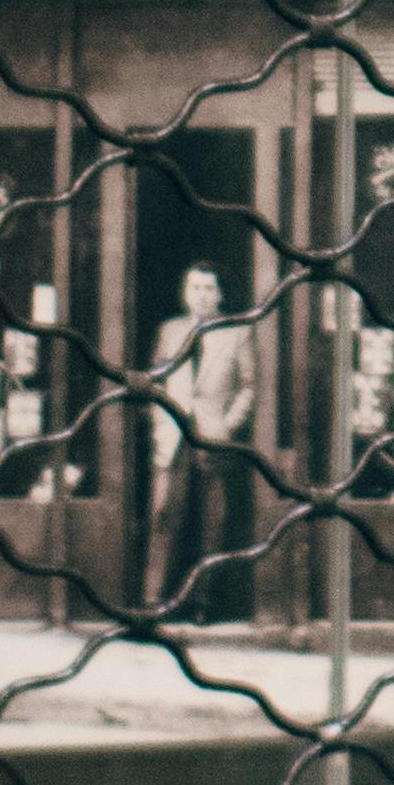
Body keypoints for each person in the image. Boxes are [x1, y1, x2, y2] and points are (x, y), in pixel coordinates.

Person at [143, 253, 262, 623]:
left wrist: (227, 424)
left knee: (213, 521)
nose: (201, 295)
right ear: (185, 292)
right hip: (173, 437)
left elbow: (249, 386)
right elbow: (155, 382)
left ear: (220, 294)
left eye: (209, 288)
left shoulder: (237, 332)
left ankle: (203, 603)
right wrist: (160, 422)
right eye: (194, 287)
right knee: (164, 515)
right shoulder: (170, 331)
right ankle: (154, 602)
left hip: (213, 437)